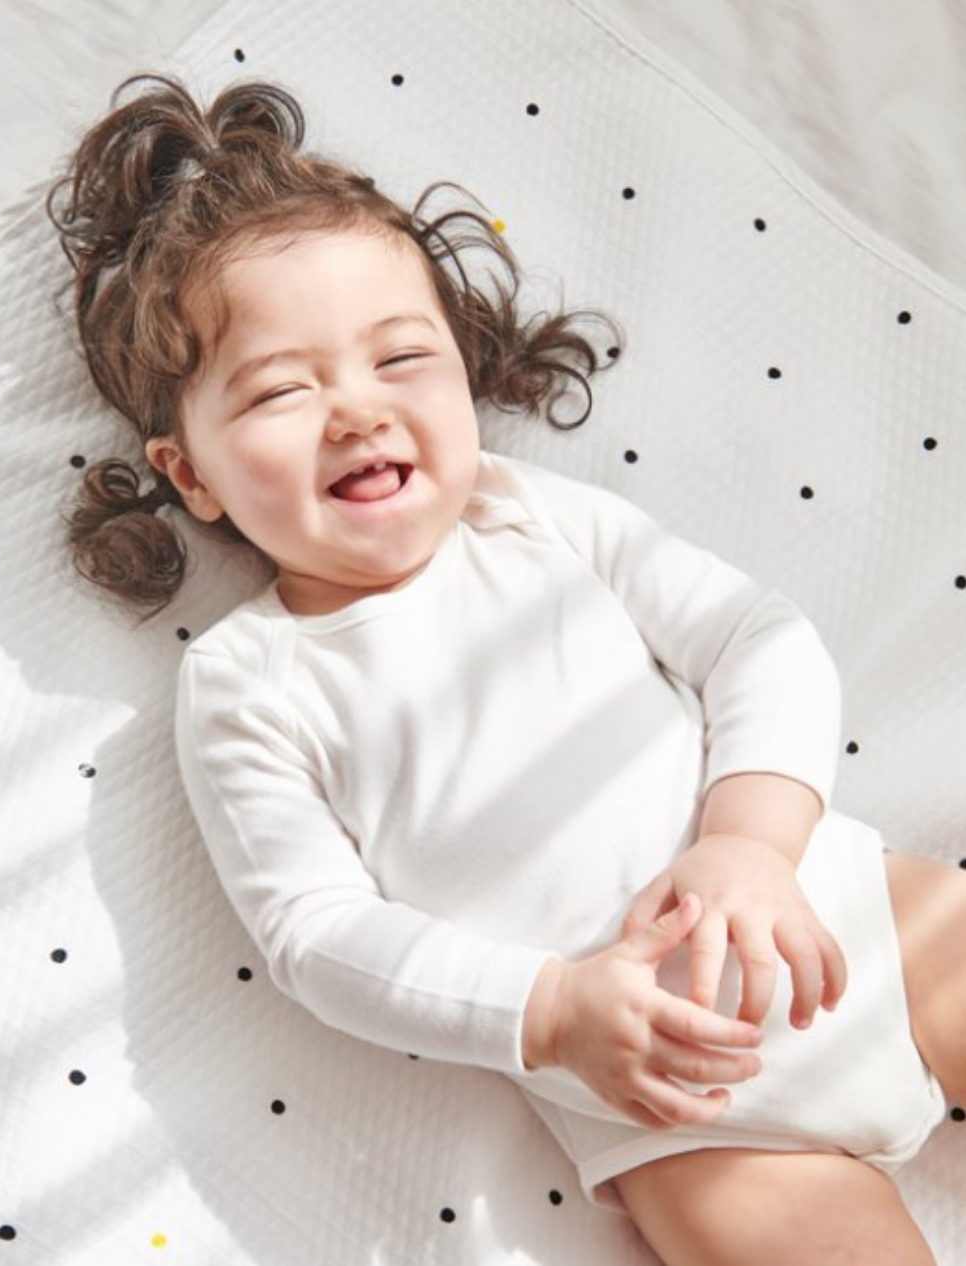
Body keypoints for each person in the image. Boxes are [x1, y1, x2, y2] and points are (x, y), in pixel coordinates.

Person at [48, 73, 963, 1265]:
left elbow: (757, 639)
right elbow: (315, 934)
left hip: (850, 918)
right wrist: (551, 1011)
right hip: (675, 1110)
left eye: (399, 358)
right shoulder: (248, 679)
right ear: (193, 475)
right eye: (279, 389)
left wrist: (748, 842)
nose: (352, 410)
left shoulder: (525, 515)